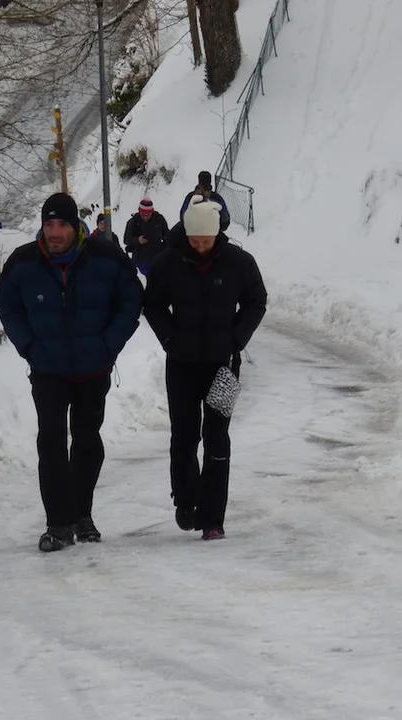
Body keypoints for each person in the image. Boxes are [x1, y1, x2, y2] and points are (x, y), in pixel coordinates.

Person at [0, 192, 143, 552]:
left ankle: (82, 514)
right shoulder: (23, 263)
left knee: (87, 440)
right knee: (51, 441)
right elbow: (7, 304)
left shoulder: (106, 258)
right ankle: (58, 523)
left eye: (62, 224)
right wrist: (29, 346)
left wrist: (109, 344)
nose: (55, 232)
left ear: (75, 226)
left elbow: (131, 299)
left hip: (93, 367)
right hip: (48, 368)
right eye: (49, 224)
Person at [143, 195, 267, 541]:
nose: (200, 247)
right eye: (195, 241)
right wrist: (170, 339)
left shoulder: (239, 262)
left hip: (223, 367)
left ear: (217, 235)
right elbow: (152, 305)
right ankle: (186, 500)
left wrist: (236, 338)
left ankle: (213, 518)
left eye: (206, 241)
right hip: (180, 365)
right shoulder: (168, 262)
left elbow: (256, 301)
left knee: (217, 438)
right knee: (184, 436)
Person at [123, 198, 169, 277]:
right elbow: (126, 240)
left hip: (158, 256)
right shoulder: (133, 222)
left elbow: (167, 234)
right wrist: (138, 240)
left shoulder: (159, 219)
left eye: (148, 215)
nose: (145, 217)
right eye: (143, 215)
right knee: (152, 277)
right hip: (141, 259)